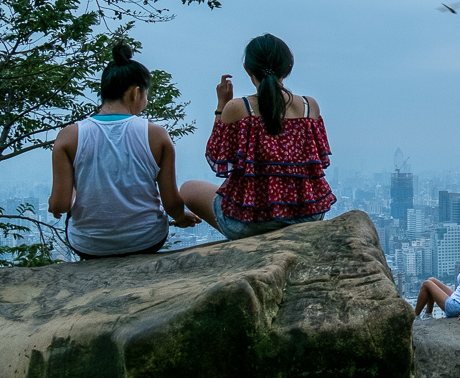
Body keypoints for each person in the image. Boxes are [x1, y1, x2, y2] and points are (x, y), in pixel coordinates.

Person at [48, 43, 200, 258]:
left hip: (89, 246)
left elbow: (60, 204)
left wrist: (56, 205)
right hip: (147, 240)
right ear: (136, 92)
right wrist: (182, 218)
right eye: (146, 94)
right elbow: (171, 203)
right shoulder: (156, 135)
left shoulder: (69, 136)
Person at [181, 34, 335, 239]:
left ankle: (246, 241)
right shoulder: (310, 107)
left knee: (188, 188)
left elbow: (216, 158)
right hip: (307, 218)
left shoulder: (238, 108)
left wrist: (221, 106)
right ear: (288, 68)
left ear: (247, 69)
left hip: (251, 225)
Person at [415, 233, 460, 321]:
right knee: (431, 280)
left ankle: (414, 316)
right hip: (459, 301)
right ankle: (428, 315)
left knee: (426, 284)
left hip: (456, 307)